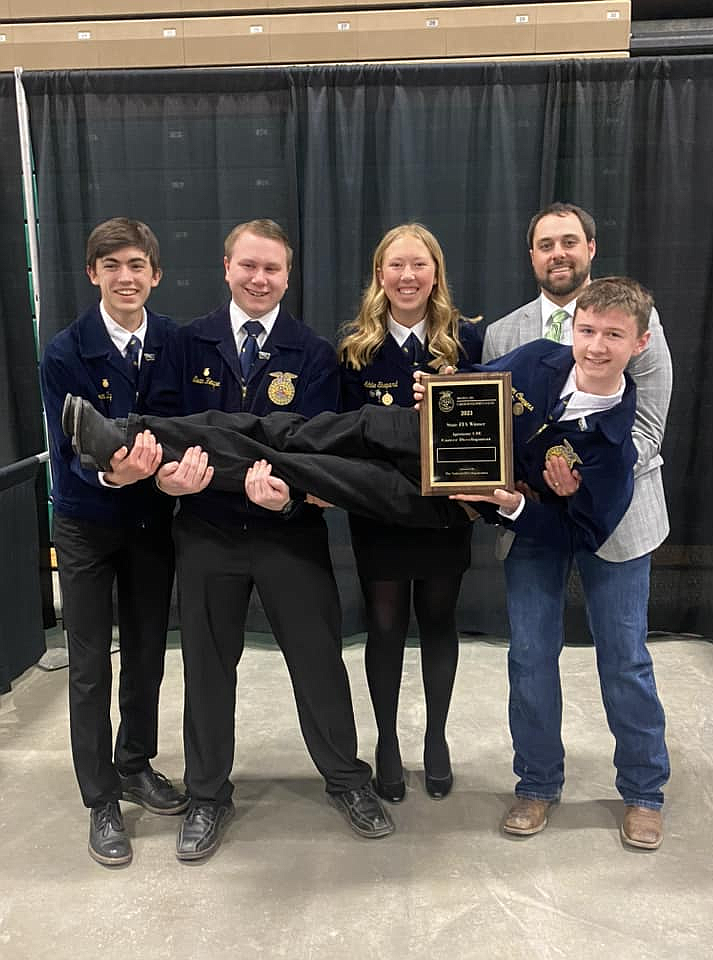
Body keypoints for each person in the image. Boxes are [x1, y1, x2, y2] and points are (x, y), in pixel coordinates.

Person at [64, 277, 661, 856]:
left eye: (612, 336)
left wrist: (516, 502)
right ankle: (128, 433)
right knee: (285, 430)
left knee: (299, 467)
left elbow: (579, 532)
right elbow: (480, 388)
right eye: (587, 329)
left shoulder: (615, 448)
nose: (595, 345)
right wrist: (443, 391)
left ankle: (638, 792)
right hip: (416, 432)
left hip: (450, 502)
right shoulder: (542, 359)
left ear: (638, 345)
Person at [143, 219, 393, 861]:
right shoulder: (186, 344)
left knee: (318, 662)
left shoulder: (312, 352)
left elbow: (317, 447)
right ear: (226, 267)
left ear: (288, 275)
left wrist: (290, 492)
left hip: (289, 531)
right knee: (206, 669)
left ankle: (346, 779)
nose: (260, 279)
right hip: (206, 531)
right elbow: (167, 434)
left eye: (273, 269)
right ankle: (205, 796)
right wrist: (172, 480)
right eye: (248, 266)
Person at [483, 203, 671, 850]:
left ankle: (644, 791)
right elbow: (488, 421)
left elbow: (646, 431)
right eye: (545, 244)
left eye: (569, 241)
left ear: (590, 247)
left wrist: (588, 477)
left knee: (625, 659)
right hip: (531, 518)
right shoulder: (510, 334)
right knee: (530, 655)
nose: (558, 253)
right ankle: (537, 783)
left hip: (617, 523)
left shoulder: (636, 324)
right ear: (531, 255)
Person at [40, 218, 188, 867]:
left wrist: (176, 473)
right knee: (89, 663)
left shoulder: (176, 343)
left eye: (136, 265)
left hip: (152, 521)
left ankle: (134, 763)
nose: (125, 277)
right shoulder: (65, 350)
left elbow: (189, 428)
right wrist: (110, 471)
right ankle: (100, 798)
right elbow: (66, 450)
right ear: (93, 274)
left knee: (149, 653)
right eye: (111, 265)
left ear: (154, 273)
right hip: (86, 521)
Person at [337, 223, 483, 802]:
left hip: (446, 512)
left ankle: (437, 738)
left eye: (419, 265)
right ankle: (389, 743)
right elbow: (341, 436)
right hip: (379, 514)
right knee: (387, 624)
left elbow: (488, 430)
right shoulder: (354, 348)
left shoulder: (467, 340)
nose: (407, 276)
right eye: (396, 265)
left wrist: (457, 391)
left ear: (436, 274)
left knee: (440, 618)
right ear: (380, 275)